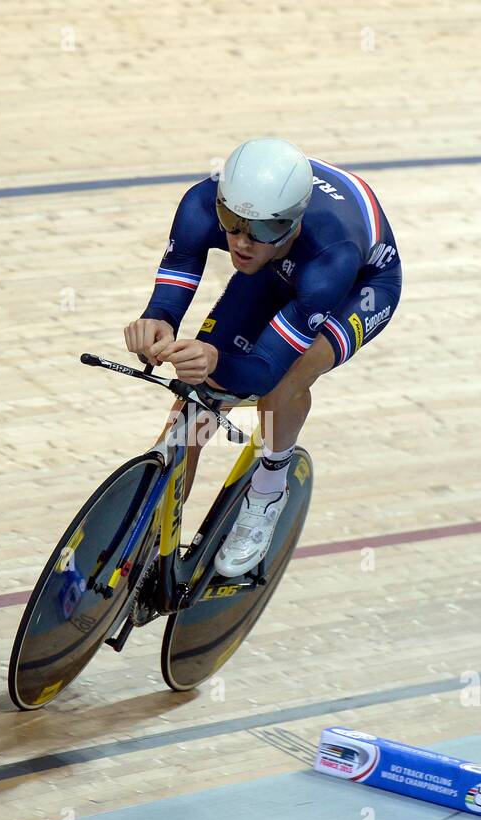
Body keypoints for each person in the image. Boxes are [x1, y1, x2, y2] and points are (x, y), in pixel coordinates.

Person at [123, 138, 401, 578]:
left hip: (358, 286)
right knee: (192, 411)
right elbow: (180, 269)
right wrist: (158, 319)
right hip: (280, 265)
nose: (242, 242)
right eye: (231, 223)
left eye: (261, 230)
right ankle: (137, 543)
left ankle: (269, 489)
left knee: (283, 385)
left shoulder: (332, 255)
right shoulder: (203, 205)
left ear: (293, 222)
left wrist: (213, 359)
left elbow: (265, 371)